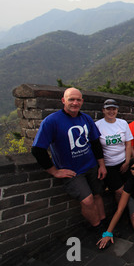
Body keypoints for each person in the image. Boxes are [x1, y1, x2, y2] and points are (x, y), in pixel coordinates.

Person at [31, 87, 107, 231]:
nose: (75, 103)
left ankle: (104, 222)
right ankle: (97, 227)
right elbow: (37, 149)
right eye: (71, 99)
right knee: (87, 200)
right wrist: (54, 171)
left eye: (78, 100)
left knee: (98, 195)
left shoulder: (86, 119)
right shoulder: (52, 121)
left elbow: (95, 143)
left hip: (91, 166)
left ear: (82, 102)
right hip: (72, 171)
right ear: (63, 101)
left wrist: (101, 165)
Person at [95, 99, 133, 202]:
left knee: (129, 188)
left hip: (123, 162)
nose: (111, 112)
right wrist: (102, 165)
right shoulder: (98, 125)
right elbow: (96, 147)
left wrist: (127, 162)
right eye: (108, 109)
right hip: (108, 165)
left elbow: (128, 143)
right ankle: (119, 211)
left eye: (114, 109)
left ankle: (127, 211)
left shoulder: (123, 123)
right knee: (119, 191)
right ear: (103, 110)